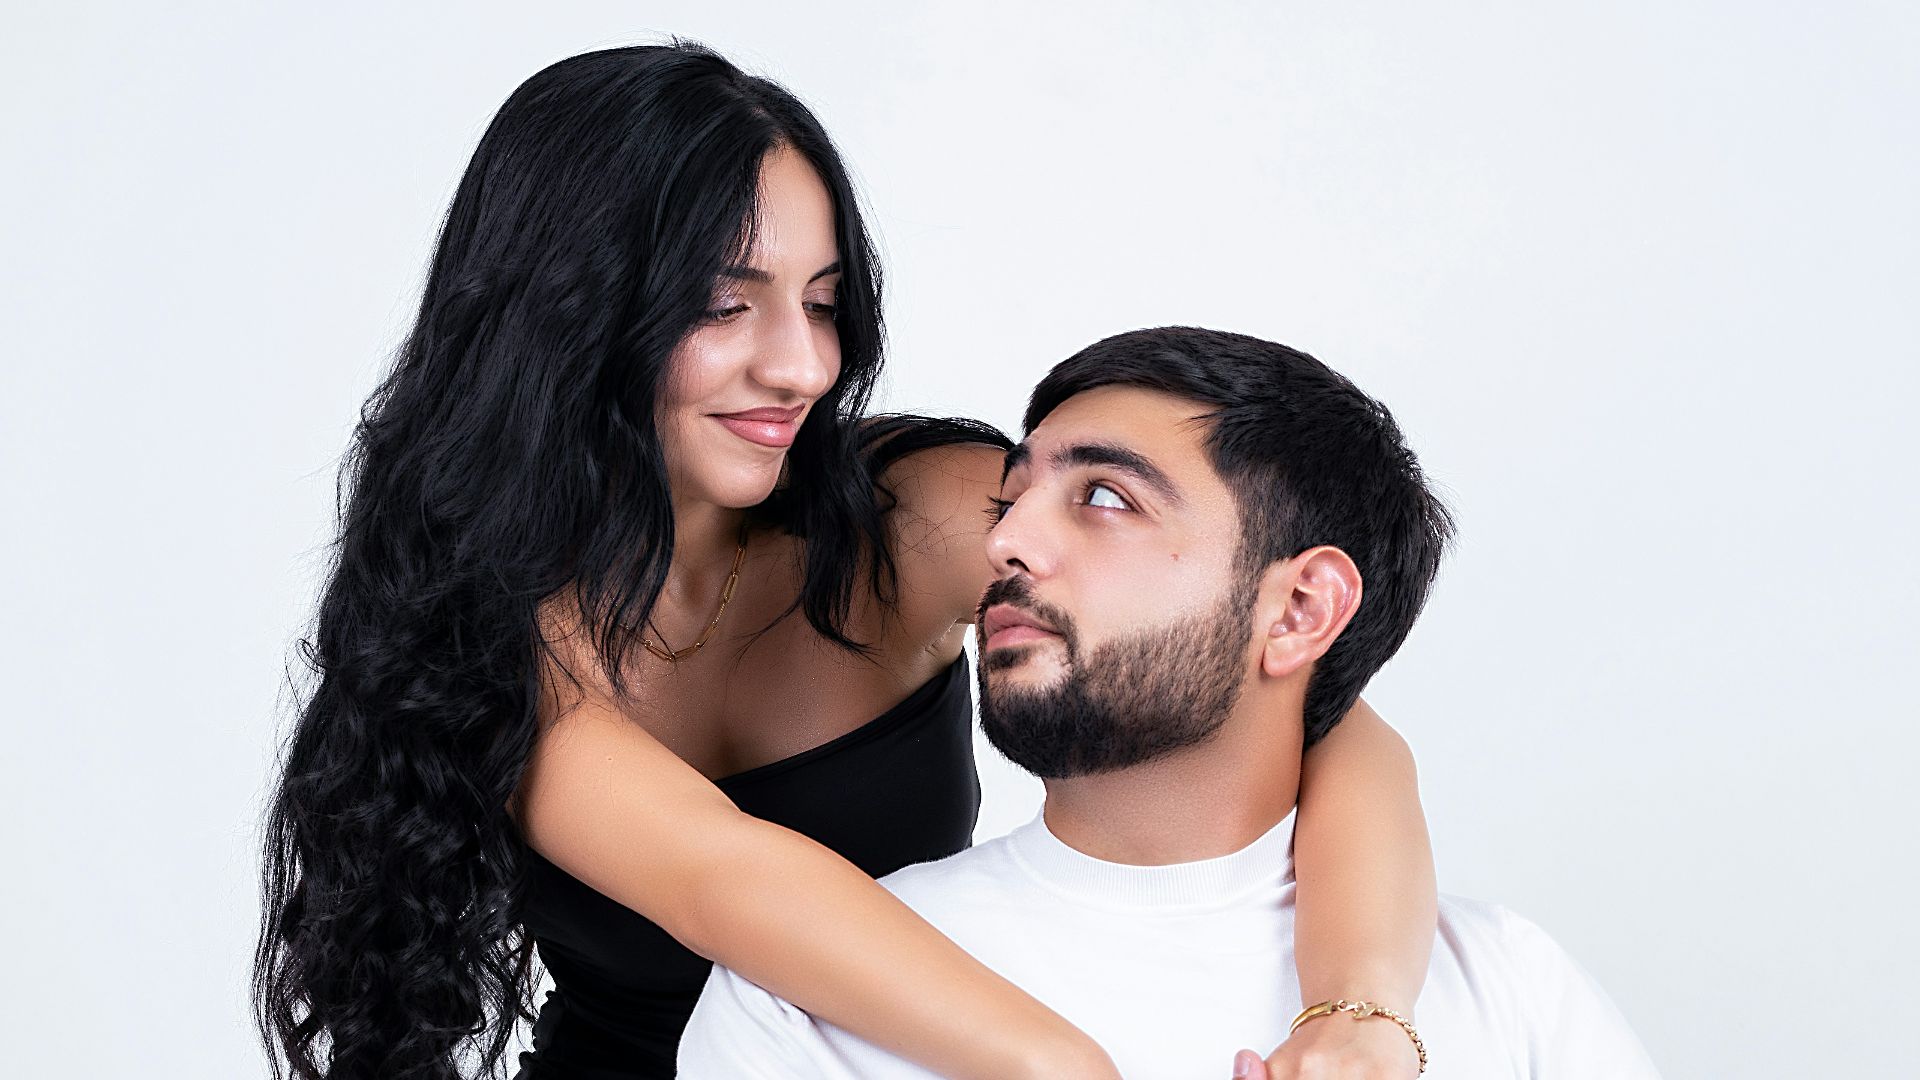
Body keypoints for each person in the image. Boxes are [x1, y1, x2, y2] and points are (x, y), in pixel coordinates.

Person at [254, 45, 1436, 1080]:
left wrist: (1362, 1013)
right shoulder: (495, 630)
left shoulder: (914, 515)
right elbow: (727, 881)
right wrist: (1064, 1065)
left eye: (822, 304)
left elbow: (1306, 703)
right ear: (570, 313)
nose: (801, 366)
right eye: (727, 305)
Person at [680, 327, 1663, 1080]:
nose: (1007, 543)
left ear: (1300, 610)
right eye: (1011, 499)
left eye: (1106, 498)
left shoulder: (1506, 989)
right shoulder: (800, 1004)